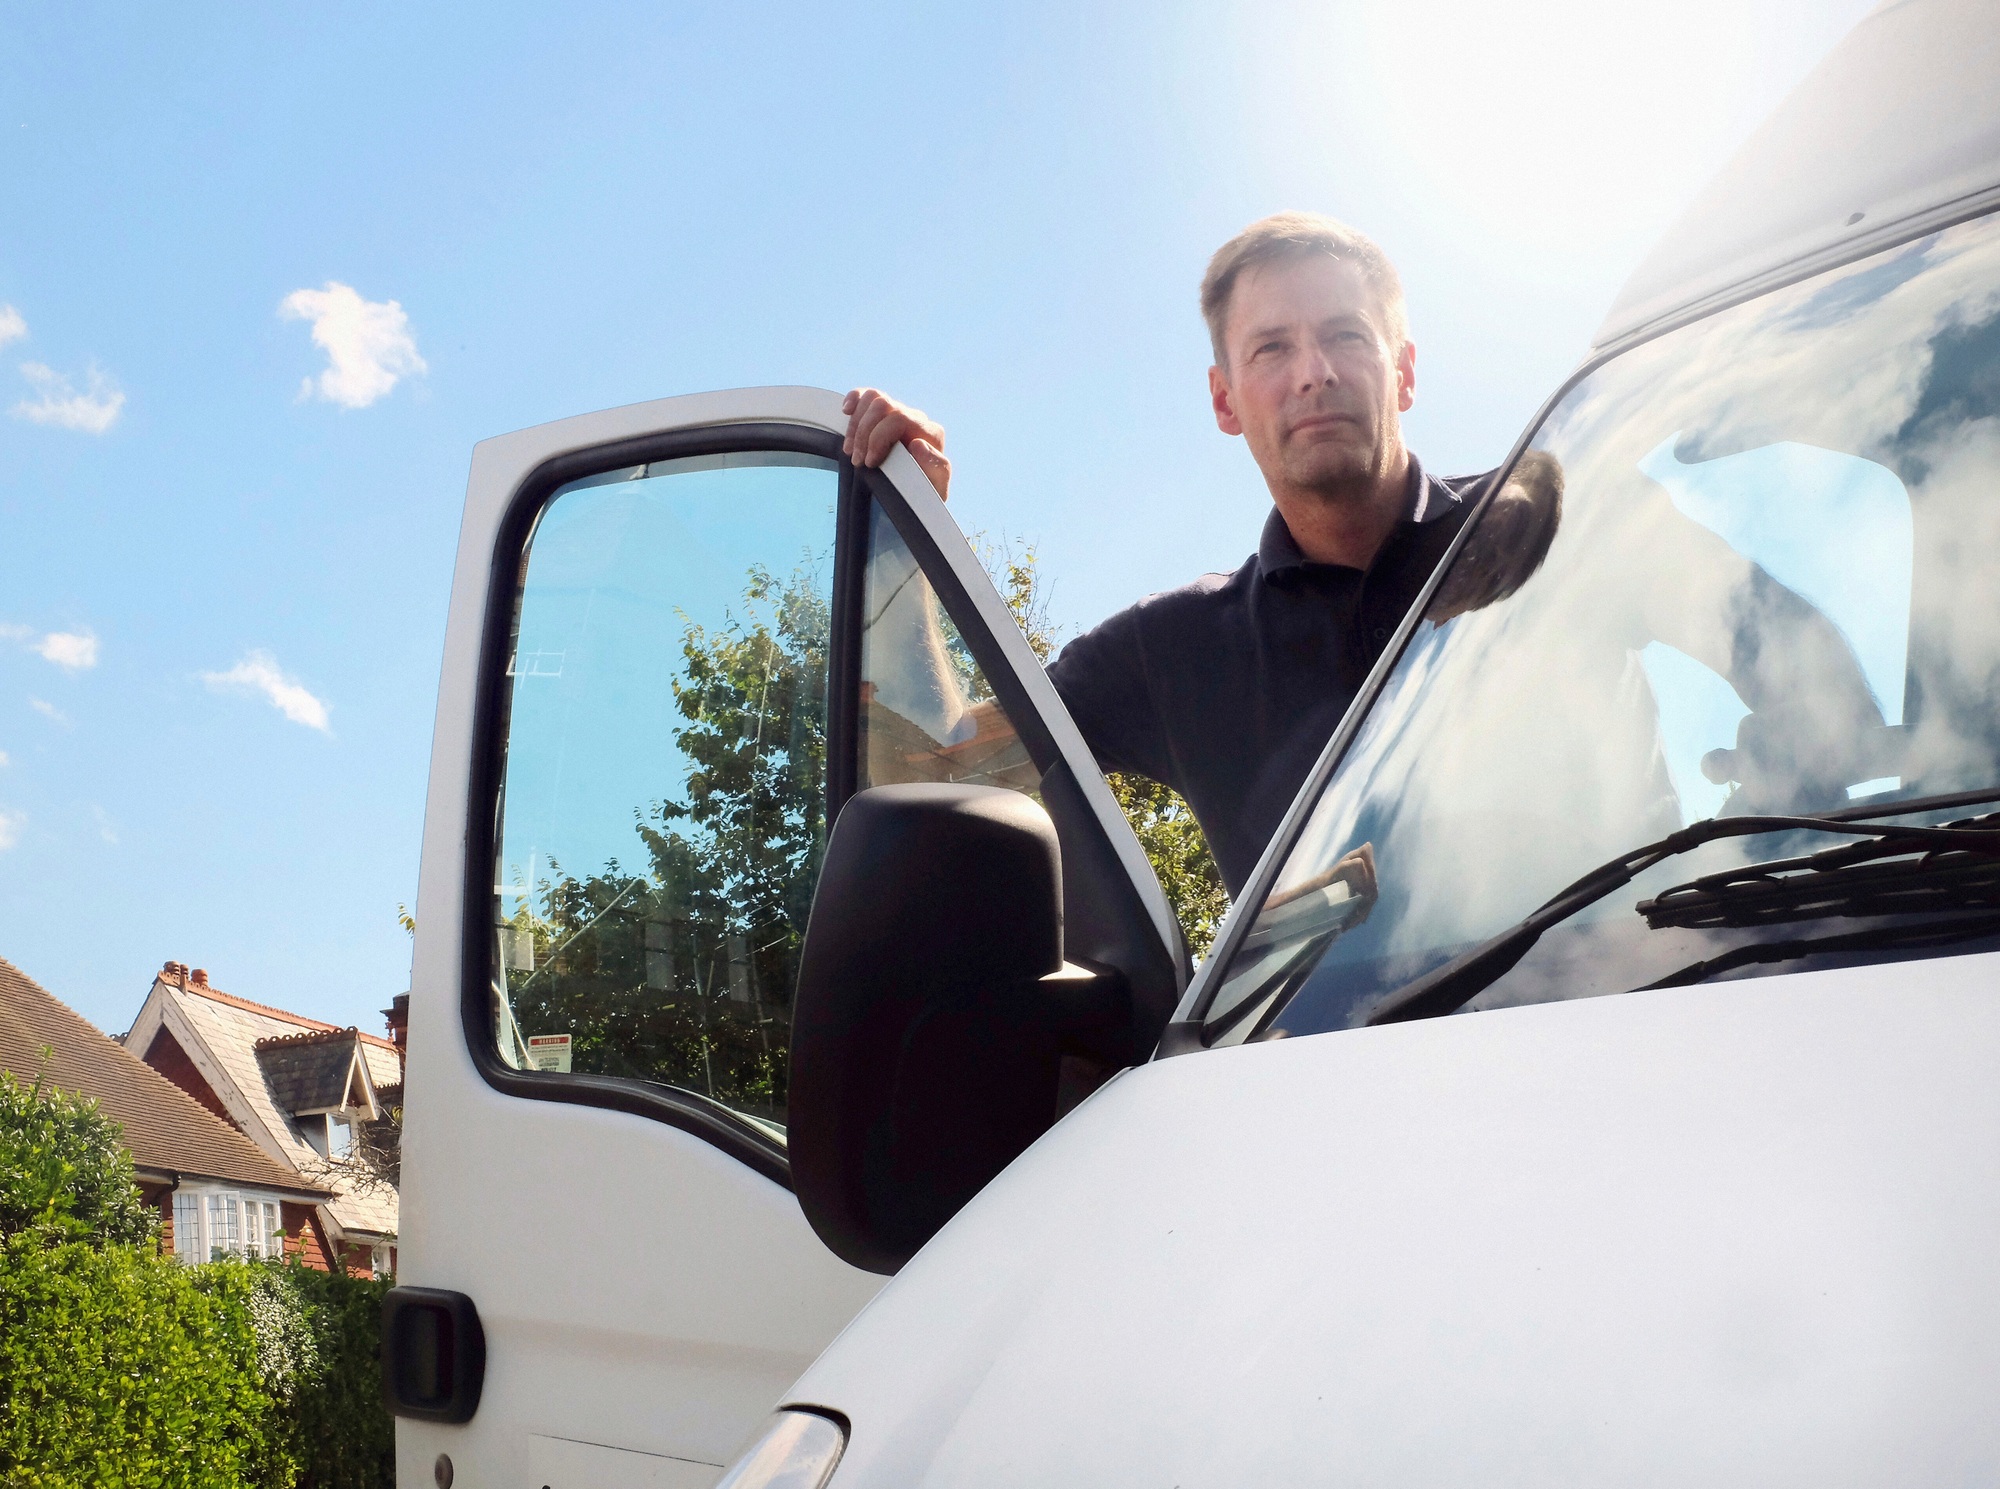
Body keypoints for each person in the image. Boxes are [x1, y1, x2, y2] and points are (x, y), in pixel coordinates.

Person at [843, 212, 1493, 894]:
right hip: (1338, 1009)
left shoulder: (1541, 526)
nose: (1315, 372)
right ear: (1224, 399)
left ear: (1406, 372)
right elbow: (932, 765)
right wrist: (899, 537)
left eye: (1346, 334)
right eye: (1272, 348)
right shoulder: (1174, 647)